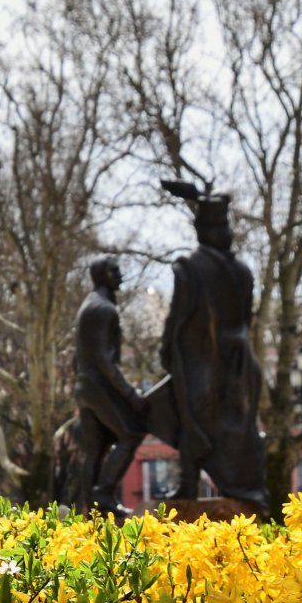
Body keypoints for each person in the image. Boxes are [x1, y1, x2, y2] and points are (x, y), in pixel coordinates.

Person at [158, 190, 266, 511]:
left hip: (202, 361)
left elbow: (178, 317)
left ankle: (191, 484)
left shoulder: (190, 268)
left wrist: (168, 350)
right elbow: (246, 319)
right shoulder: (242, 272)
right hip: (239, 360)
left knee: (190, 417)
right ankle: (231, 488)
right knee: (237, 429)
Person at [73, 257, 150, 514]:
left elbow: (79, 356)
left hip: (84, 385)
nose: (120, 274)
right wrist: (130, 394)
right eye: (114, 270)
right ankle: (103, 495)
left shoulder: (88, 306)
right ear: (102, 276)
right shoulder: (104, 309)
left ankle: (91, 510)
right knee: (132, 433)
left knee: (96, 449)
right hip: (97, 385)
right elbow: (105, 360)